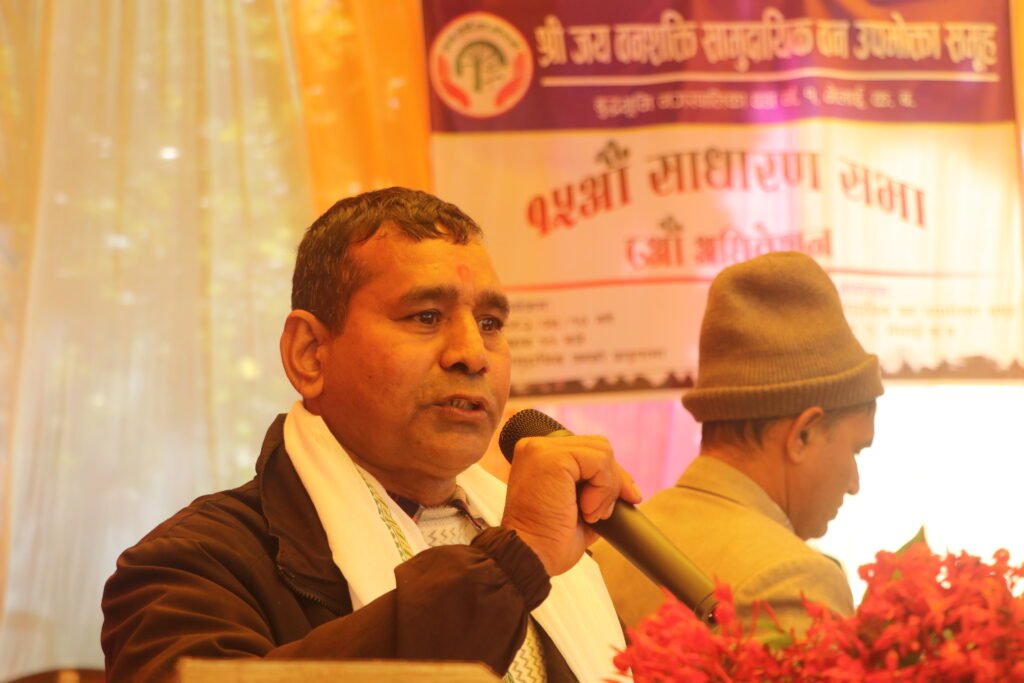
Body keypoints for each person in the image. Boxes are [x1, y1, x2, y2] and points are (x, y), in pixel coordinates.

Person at [101, 187, 640, 682]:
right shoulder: (191, 566)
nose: (473, 353)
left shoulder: (556, 559)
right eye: (426, 316)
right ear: (310, 354)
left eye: (490, 323)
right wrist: (513, 563)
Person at [592, 251, 883, 636]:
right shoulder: (793, 581)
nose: (854, 484)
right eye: (855, 450)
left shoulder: (607, 547)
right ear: (803, 435)